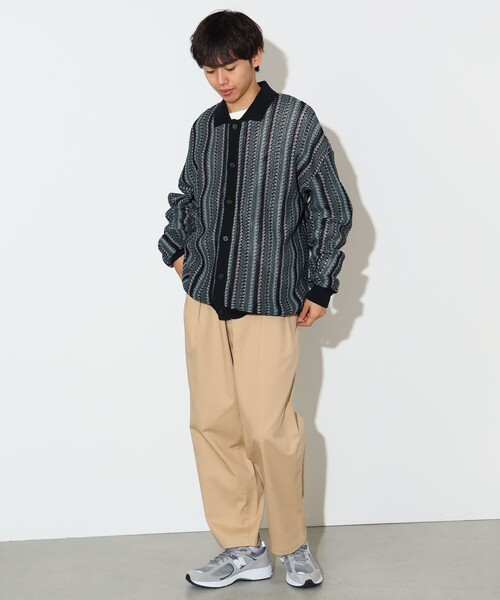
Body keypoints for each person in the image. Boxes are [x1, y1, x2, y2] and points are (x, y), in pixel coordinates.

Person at [158, 9, 352, 589]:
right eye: (209, 70)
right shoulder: (204, 128)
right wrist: (177, 252)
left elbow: (331, 207)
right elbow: (186, 196)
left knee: (270, 429)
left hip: (268, 300)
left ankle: (293, 545)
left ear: (256, 57)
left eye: (231, 66)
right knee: (213, 425)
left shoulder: (295, 122)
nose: (221, 79)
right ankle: (242, 546)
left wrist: (320, 282)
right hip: (204, 300)